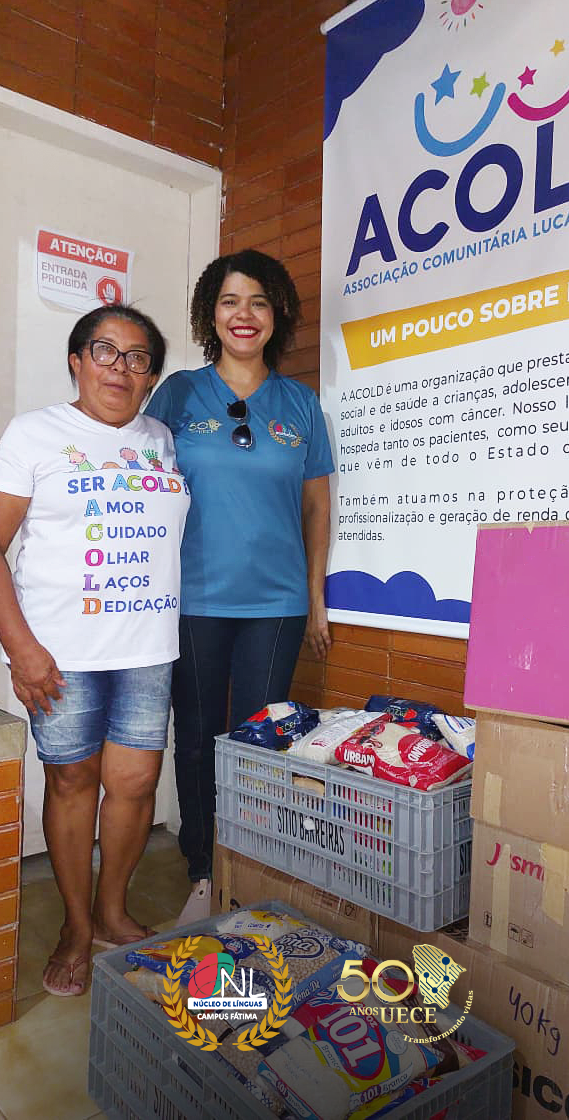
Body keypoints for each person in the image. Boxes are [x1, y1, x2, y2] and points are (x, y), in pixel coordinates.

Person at [0, 305, 189, 996]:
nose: (120, 367)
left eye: (138, 357)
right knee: (71, 783)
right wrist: (20, 648)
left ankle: (111, 911)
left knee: (136, 784)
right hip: (60, 655)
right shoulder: (35, 433)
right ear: (76, 360)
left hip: (147, 647)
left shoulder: (161, 439)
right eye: (104, 350)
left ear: (151, 376)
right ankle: (75, 925)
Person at [146, 249, 334, 924]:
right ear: (211, 313)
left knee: (259, 739)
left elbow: (316, 507)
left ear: (276, 313)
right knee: (197, 736)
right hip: (193, 598)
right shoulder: (177, 394)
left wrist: (315, 599)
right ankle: (204, 868)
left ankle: (246, 864)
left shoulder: (300, 404)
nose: (243, 314)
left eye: (257, 301)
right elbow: (134, 472)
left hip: (276, 605)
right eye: (229, 301)